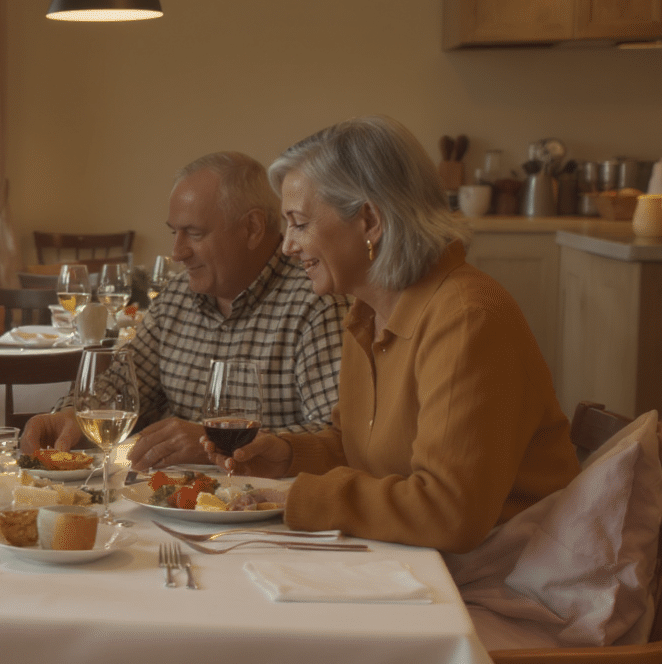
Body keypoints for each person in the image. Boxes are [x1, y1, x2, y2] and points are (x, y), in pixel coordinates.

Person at [215, 115, 580, 553]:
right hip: (428, 563)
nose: (288, 245)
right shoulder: (366, 316)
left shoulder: (466, 318)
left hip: (509, 575)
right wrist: (290, 455)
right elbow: (364, 449)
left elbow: (448, 512)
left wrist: (298, 496)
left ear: (369, 221)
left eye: (299, 222)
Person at [22, 152, 349, 470]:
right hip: (171, 505)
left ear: (252, 227)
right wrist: (70, 416)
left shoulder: (316, 304)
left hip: (266, 514)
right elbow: (124, 386)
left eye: (194, 233)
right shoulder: (176, 299)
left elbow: (338, 440)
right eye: (174, 232)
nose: (177, 253)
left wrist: (216, 444)